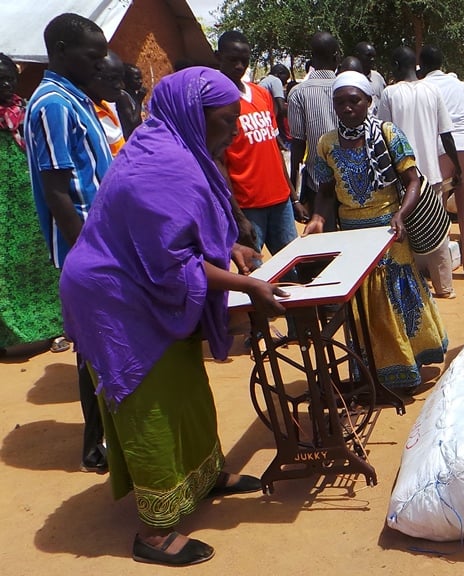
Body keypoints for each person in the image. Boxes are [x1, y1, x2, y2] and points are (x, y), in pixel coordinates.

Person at [60, 66, 285, 566]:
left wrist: (230, 250)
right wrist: (246, 284)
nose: (231, 135)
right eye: (224, 123)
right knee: (151, 404)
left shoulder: (179, 147)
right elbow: (170, 260)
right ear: (192, 114)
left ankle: (204, 478)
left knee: (186, 390)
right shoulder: (158, 165)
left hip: (147, 288)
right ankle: (154, 533)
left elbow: (188, 229)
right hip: (116, 299)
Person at [305, 71, 448, 391]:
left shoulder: (388, 135)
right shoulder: (326, 143)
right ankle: (371, 374)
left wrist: (400, 214)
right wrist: (317, 217)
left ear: (369, 101)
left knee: (394, 301)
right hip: (351, 236)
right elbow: (326, 190)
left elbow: (412, 180)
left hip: (388, 233)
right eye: (339, 102)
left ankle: (404, 371)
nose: (347, 108)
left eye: (354, 100)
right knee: (363, 306)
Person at [25, 13, 112, 473]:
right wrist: (89, 254)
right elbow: (58, 189)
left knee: (103, 343)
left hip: (102, 241)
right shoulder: (52, 104)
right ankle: (96, 445)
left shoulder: (75, 100)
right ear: (60, 51)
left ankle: (107, 436)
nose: (100, 64)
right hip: (87, 247)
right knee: (93, 346)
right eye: (91, 55)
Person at [377, 45, 461, 298]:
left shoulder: (389, 94)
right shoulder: (432, 91)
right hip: (432, 177)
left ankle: (414, 291)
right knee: (438, 234)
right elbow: (447, 135)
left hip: (403, 179)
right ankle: (445, 288)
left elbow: (383, 134)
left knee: (404, 235)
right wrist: (456, 167)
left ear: (394, 66)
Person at [0, 53, 65, 358]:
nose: (6, 83)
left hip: (32, 202)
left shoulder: (27, 111)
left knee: (42, 262)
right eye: (0, 79)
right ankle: (11, 338)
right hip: (4, 208)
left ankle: (52, 329)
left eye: (10, 77)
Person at [216, 31, 301, 264]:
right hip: (247, 208)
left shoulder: (262, 94)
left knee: (295, 270)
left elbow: (274, 148)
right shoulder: (215, 103)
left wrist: (293, 197)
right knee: (256, 275)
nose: (239, 65)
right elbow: (218, 162)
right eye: (233, 59)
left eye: (245, 60)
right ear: (218, 57)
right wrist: (237, 216)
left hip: (280, 202)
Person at [420, 45, 464, 277]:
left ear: (422, 65)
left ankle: (441, 270)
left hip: (439, 148)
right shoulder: (459, 85)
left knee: (438, 210)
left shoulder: (424, 87)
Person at [288, 31, 339, 219]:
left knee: (325, 242)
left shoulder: (298, 93)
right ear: (336, 56)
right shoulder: (349, 88)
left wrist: (294, 196)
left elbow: (298, 145)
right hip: (350, 186)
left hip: (317, 186)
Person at [86, 52, 127, 155]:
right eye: (112, 79)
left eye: (121, 79)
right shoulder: (87, 115)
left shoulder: (106, 105)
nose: (120, 85)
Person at [259, 63, 290, 149]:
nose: (286, 82)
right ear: (279, 73)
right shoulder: (275, 80)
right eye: (286, 78)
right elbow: (282, 109)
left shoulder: (265, 81)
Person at [353, 41, 387, 111]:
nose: (372, 59)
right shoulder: (350, 79)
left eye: (373, 57)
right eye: (368, 56)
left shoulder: (378, 78)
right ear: (357, 56)